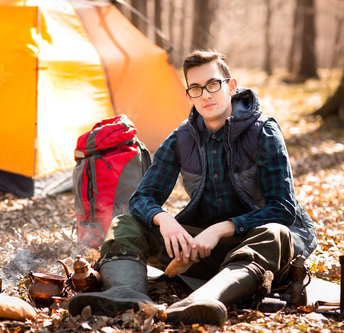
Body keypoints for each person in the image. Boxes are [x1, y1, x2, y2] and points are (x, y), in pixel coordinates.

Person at [67, 50, 317, 327]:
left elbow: (282, 208)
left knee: (275, 232)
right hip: (198, 251)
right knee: (125, 223)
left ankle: (205, 300)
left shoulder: (264, 132)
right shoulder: (181, 138)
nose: (206, 95)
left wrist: (222, 228)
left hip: (260, 254)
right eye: (196, 89)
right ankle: (126, 295)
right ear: (188, 96)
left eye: (213, 84)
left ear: (231, 86)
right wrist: (165, 220)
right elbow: (143, 197)